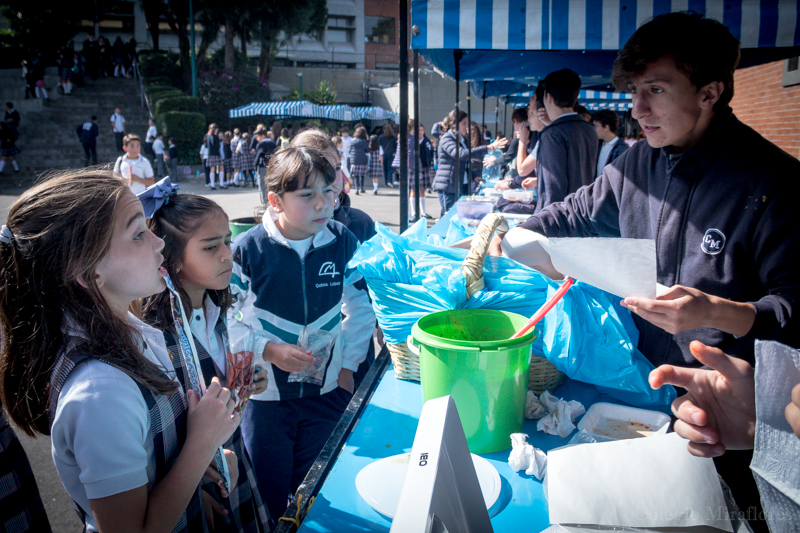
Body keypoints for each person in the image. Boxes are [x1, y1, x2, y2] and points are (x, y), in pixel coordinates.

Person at [490, 13, 800, 525]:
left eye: (654, 89)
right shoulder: (639, 163)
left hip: (739, 418)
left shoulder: (774, 183)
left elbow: (794, 308)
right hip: (644, 392)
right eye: (634, 91)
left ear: (710, 91)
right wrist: (519, 237)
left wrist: (722, 312)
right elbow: (574, 212)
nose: (637, 109)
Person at [0, 171, 240, 533]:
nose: (159, 243)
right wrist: (202, 443)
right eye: (139, 234)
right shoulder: (102, 391)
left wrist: (190, 483)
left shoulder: (130, 333)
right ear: (87, 272)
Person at [230, 146, 374, 520]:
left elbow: (360, 308)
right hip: (265, 402)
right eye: (307, 195)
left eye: (329, 190)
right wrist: (268, 350)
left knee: (320, 489)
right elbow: (225, 322)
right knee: (270, 496)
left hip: (326, 394)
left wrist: (348, 367)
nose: (323, 204)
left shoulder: (342, 241)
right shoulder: (247, 250)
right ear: (275, 201)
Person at [140, 187, 272, 532]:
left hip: (233, 463)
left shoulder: (219, 309)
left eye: (227, 241)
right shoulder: (157, 339)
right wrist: (194, 490)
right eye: (211, 247)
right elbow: (155, 440)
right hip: (186, 487)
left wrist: (246, 382)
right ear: (173, 259)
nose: (228, 254)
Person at [533, 69, 598, 212]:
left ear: (548, 97)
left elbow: (552, 191)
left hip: (560, 219)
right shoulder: (589, 129)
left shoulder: (552, 135)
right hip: (583, 212)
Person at [432, 109, 507, 218]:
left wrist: (474, 175)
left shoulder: (462, 139)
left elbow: (466, 163)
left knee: (461, 216)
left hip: (461, 185)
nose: (466, 126)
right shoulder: (447, 138)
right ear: (455, 124)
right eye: (464, 123)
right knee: (449, 217)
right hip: (448, 186)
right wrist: (489, 148)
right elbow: (461, 155)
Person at [592, 109, 629, 177]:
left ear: (606, 127)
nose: (593, 129)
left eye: (595, 126)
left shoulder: (622, 149)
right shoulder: (598, 145)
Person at [253, 128, 276, 203]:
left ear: (263, 136)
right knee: (271, 186)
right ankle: (271, 203)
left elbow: (257, 157)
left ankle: (264, 204)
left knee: (262, 186)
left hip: (262, 167)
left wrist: (255, 168)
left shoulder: (261, 145)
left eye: (257, 136)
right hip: (272, 167)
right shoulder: (273, 144)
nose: (256, 139)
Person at [348, 126, 369, 195]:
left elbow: (350, 150)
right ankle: (362, 188)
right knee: (362, 175)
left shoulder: (352, 140)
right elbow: (367, 150)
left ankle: (357, 189)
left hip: (354, 160)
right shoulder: (364, 141)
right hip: (362, 160)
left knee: (356, 175)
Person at [205, 124, 223, 190]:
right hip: (216, 154)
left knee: (212, 169)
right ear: (216, 129)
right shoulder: (216, 137)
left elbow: (206, 145)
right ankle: (221, 183)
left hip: (210, 154)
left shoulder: (208, 136)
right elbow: (217, 146)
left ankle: (212, 184)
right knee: (221, 167)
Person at [379, 124, 397, 188]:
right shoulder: (393, 137)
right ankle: (389, 181)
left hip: (383, 154)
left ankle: (386, 183)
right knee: (390, 169)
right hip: (391, 154)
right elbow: (395, 146)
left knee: (384, 169)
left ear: (384, 130)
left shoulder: (381, 137)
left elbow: (379, 146)